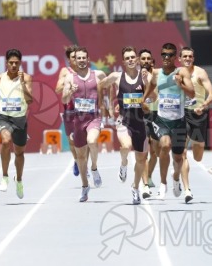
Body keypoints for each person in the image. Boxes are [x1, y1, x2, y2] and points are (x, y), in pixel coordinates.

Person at [142, 43, 195, 201]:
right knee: (164, 146)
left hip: (178, 121)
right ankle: (163, 184)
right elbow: (151, 85)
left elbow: (192, 94)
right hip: (162, 120)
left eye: (170, 55)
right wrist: (143, 100)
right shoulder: (157, 74)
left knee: (178, 157)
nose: (166, 57)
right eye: (164, 54)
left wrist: (181, 85)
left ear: (174, 57)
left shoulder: (182, 72)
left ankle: (176, 178)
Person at [100, 46, 151, 204]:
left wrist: (147, 96)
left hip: (140, 122)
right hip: (124, 121)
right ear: (123, 61)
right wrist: (106, 105)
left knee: (141, 159)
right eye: (127, 57)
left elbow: (154, 96)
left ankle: (135, 187)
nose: (130, 60)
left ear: (137, 59)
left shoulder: (144, 77)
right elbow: (100, 85)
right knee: (126, 146)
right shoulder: (116, 76)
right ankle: (123, 164)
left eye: (132, 57)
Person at [0, 49, 33, 199]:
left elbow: (30, 100)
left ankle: (18, 180)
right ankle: (4, 177)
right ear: (6, 63)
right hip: (5, 117)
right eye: (11, 63)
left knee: (19, 153)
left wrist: (23, 84)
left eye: (16, 63)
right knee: (5, 141)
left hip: (20, 119)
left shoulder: (27, 77)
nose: (13, 65)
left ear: (20, 63)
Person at [62, 47, 106, 202]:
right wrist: (69, 92)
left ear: (88, 60)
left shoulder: (98, 75)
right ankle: (85, 186)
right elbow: (65, 100)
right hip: (77, 120)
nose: (81, 60)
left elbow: (110, 87)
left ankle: (94, 167)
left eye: (83, 58)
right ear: (75, 60)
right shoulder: (69, 78)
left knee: (92, 141)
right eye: (78, 58)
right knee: (80, 157)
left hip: (93, 117)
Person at [180, 47, 212, 203]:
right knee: (181, 153)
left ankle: (198, 145)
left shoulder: (200, 73)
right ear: (180, 59)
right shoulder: (176, 74)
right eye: (185, 56)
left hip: (198, 114)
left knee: (198, 155)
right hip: (181, 115)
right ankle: (187, 190)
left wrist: (204, 105)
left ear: (193, 58)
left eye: (190, 56)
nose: (187, 58)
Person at [55, 45, 80, 176]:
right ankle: (76, 160)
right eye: (73, 58)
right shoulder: (65, 71)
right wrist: (68, 82)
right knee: (71, 140)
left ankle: (84, 163)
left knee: (86, 139)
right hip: (70, 109)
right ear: (69, 60)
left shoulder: (85, 70)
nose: (76, 60)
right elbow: (57, 89)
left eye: (78, 57)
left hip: (85, 109)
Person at [139, 49, 159, 198]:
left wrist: (147, 82)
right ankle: (145, 184)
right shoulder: (134, 76)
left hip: (157, 114)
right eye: (143, 58)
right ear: (139, 61)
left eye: (148, 59)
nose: (146, 61)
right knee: (144, 151)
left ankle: (149, 175)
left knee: (155, 152)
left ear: (152, 62)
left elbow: (155, 96)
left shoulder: (156, 76)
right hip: (140, 116)